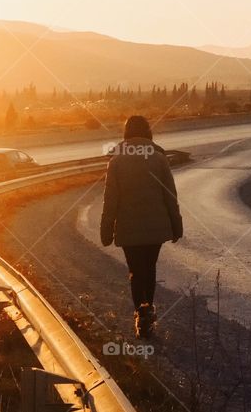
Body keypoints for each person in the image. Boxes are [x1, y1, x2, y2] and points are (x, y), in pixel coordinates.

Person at [100, 115, 183, 339]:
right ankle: (147, 310)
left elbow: (111, 200)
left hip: (128, 229)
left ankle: (141, 313)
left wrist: (106, 230)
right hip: (156, 228)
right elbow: (170, 196)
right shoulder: (159, 159)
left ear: (126, 133)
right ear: (148, 133)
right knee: (150, 268)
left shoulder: (116, 162)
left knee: (136, 271)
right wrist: (177, 225)